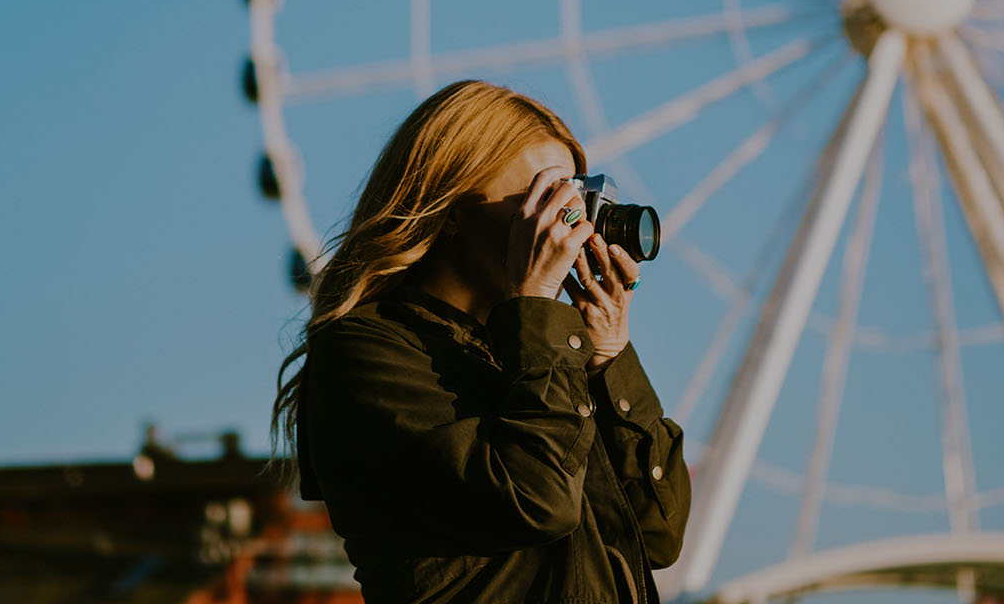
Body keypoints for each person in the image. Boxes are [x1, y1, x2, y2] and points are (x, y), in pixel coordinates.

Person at [270, 79, 690, 603]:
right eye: (545, 200)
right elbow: (536, 499)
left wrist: (609, 354)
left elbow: (660, 532)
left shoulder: (541, 354)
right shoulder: (365, 353)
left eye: (575, 200)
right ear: (451, 211)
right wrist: (536, 305)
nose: (569, 226)